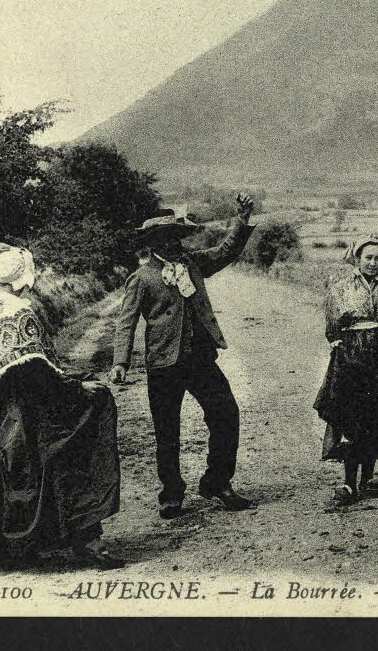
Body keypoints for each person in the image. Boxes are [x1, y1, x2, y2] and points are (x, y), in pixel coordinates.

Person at [0, 243, 123, 568]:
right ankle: (86, 538)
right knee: (80, 428)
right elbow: (38, 375)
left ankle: (11, 548)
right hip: (23, 410)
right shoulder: (21, 312)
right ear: (22, 280)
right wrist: (78, 387)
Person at [112, 195, 255, 517]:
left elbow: (227, 251)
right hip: (163, 363)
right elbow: (126, 322)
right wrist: (120, 362)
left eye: (178, 236)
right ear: (152, 243)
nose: (175, 242)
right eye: (167, 238)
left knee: (226, 415)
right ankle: (172, 494)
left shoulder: (194, 264)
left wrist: (242, 217)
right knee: (167, 431)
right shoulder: (142, 278)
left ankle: (217, 482)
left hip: (201, 360)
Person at [314, 235, 378, 507]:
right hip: (351, 358)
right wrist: (338, 345)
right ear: (357, 258)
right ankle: (349, 483)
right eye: (368, 258)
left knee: (376, 417)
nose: (373, 263)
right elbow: (332, 327)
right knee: (351, 419)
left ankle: (368, 480)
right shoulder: (340, 289)